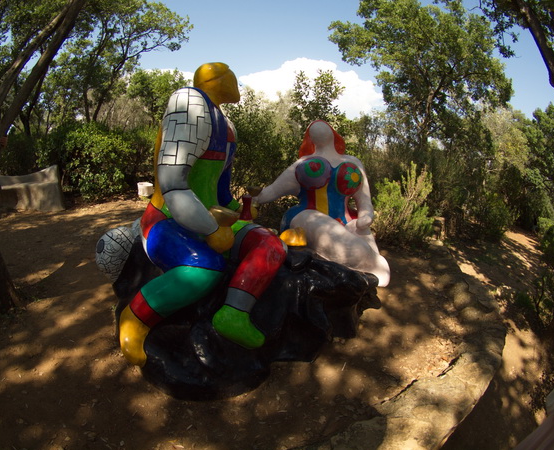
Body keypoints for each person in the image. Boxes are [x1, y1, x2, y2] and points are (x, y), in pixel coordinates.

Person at [119, 63, 286, 366]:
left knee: (270, 246)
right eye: (233, 77)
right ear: (217, 80)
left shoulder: (226, 125)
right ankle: (134, 318)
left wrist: (238, 212)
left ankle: (234, 313)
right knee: (204, 268)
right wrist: (210, 229)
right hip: (166, 220)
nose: (238, 85)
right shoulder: (189, 105)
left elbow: (220, 189)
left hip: (210, 219)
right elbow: (173, 185)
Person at [255, 119, 390, 287]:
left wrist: (366, 215)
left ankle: (373, 264)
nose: (318, 125)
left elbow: (365, 201)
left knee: (359, 232)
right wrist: (253, 197)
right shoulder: (301, 164)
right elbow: (272, 191)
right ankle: (370, 263)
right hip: (305, 219)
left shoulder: (353, 162)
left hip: (346, 223)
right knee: (355, 252)